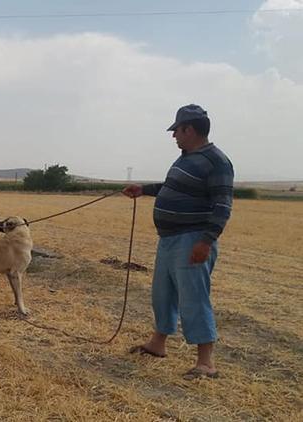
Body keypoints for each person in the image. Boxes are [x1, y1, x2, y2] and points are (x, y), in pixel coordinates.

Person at [122, 104, 233, 380]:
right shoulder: (185, 159)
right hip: (169, 240)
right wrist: (144, 190)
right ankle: (157, 344)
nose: (174, 137)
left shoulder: (217, 162)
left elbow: (223, 206)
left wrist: (206, 241)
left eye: (177, 131)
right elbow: (171, 187)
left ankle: (206, 363)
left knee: (194, 298)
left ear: (190, 130)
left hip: (192, 240)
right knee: (163, 294)